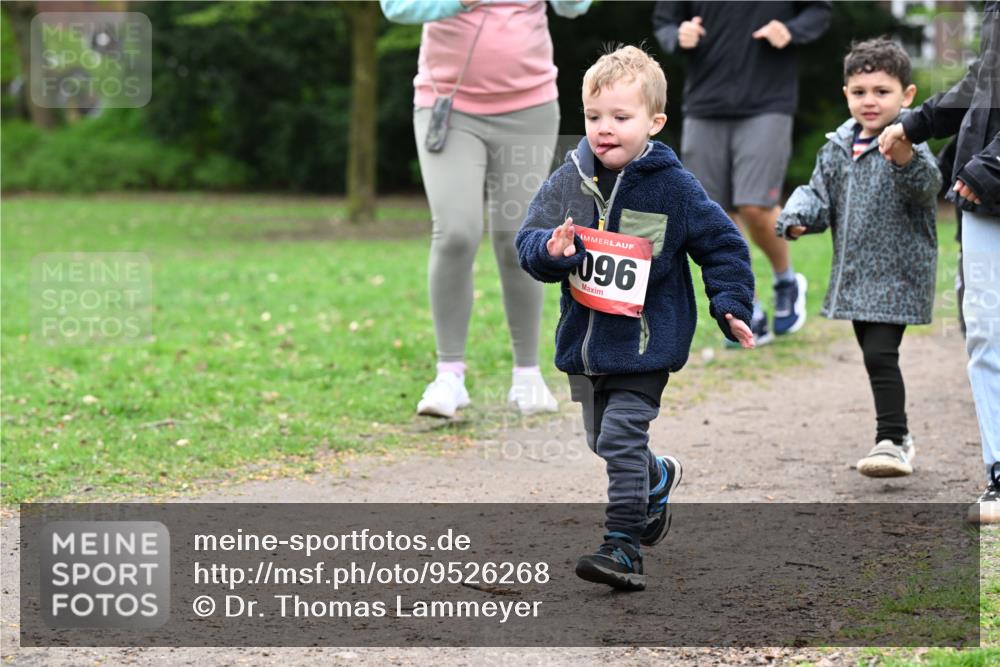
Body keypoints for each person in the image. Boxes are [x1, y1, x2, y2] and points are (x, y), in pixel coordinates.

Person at [515, 46, 755, 591]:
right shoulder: (568, 179)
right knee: (604, 442)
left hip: (646, 345)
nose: (605, 129)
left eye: (621, 118)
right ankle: (659, 477)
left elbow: (722, 246)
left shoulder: (674, 188)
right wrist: (551, 252)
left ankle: (621, 547)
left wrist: (731, 304)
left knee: (621, 436)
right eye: (594, 116)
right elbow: (527, 241)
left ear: (655, 121)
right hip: (585, 346)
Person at [379, 0, 591, 418]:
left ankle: (527, 375)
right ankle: (449, 376)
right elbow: (396, 7)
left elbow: (573, 7)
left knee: (519, 240)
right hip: (449, 105)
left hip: (529, 106)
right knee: (456, 231)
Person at [776, 39, 941, 478]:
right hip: (855, 274)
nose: (870, 101)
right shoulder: (836, 147)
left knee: (880, 354)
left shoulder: (908, 141)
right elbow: (818, 195)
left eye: (882, 91)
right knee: (874, 352)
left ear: (907, 96)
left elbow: (927, 187)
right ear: (845, 93)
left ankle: (892, 438)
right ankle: (897, 437)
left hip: (899, 273)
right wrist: (798, 218)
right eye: (859, 91)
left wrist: (904, 156)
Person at [879, 3, 1000, 520]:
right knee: (987, 330)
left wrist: (993, 165)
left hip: (990, 175)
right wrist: (916, 123)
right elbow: (987, 78)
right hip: (986, 196)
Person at [653, 1, 832, 345]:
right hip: (705, 103)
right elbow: (664, 21)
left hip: (767, 101)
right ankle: (746, 307)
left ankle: (785, 280)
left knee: (755, 205)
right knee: (714, 215)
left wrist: (791, 30)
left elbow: (819, 11)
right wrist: (678, 35)